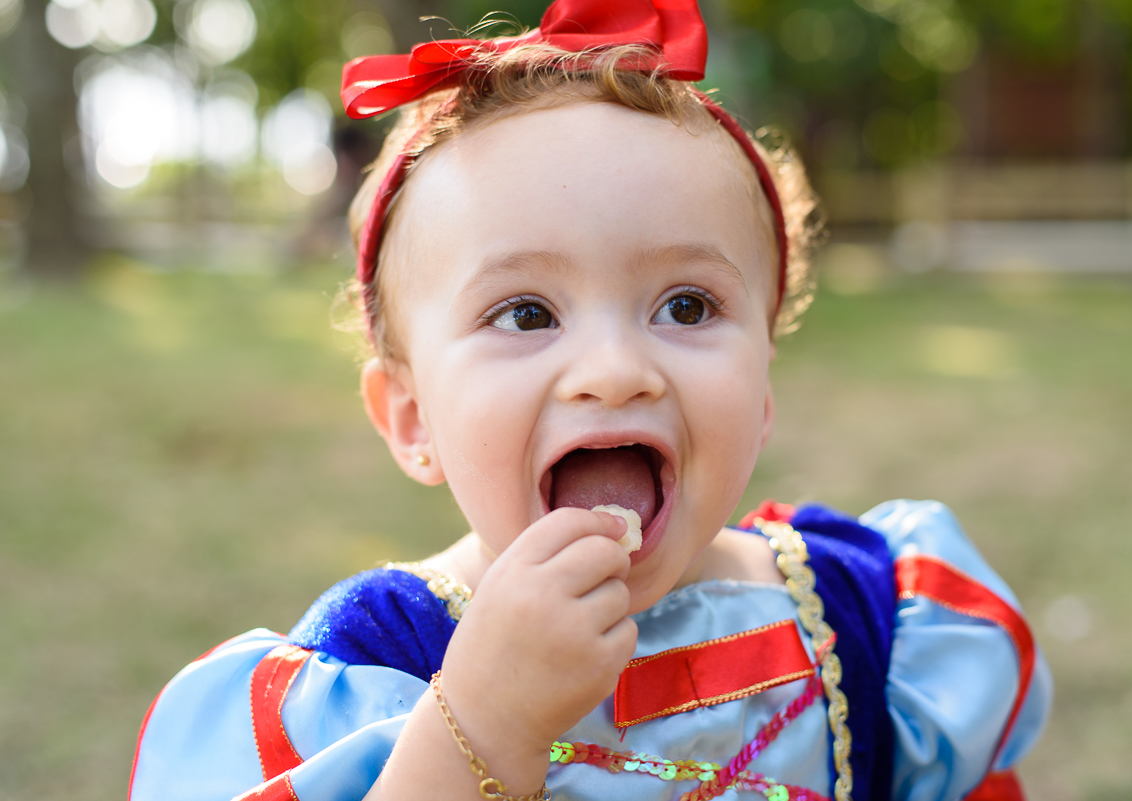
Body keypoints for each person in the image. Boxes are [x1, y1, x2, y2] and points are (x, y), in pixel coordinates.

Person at [127, 2, 1051, 800]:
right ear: (412, 420)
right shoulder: (375, 668)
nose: (614, 369)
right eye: (525, 313)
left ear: (763, 385)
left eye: (686, 306)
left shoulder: (870, 616)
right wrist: (476, 725)